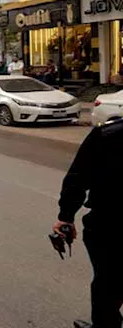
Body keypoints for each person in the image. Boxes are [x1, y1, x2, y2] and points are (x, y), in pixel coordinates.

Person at [53, 118, 123, 328]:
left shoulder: (107, 135)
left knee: (108, 283)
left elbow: (77, 179)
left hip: (110, 226)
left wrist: (66, 217)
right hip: (108, 224)